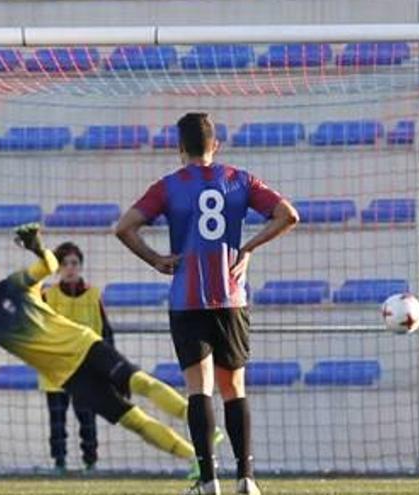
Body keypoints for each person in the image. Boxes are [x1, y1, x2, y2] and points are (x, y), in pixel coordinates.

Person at [115, 113, 299, 495]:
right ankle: (246, 479)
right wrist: (247, 248)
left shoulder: (168, 186)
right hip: (230, 296)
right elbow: (288, 215)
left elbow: (124, 227)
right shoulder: (239, 179)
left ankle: (208, 480)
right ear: (215, 145)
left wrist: (155, 259)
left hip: (187, 299)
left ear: (180, 148)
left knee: (199, 389)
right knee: (234, 388)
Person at [0, 224, 196, 467]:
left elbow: (49, 264)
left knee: (141, 383)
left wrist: (37, 247)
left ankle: (199, 421)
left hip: (85, 345)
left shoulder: (16, 284)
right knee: (133, 420)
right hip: (68, 376)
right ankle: (196, 458)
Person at [39, 241, 113, 473]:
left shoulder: (93, 295)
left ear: (80, 266)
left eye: (74, 263)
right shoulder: (47, 295)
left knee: (87, 419)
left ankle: (90, 462)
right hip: (55, 370)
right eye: (65, 263)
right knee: (57, 421)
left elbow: (106, 332)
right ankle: (59, 463)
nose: (70, 267)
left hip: (86, 369)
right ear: (58, 268)